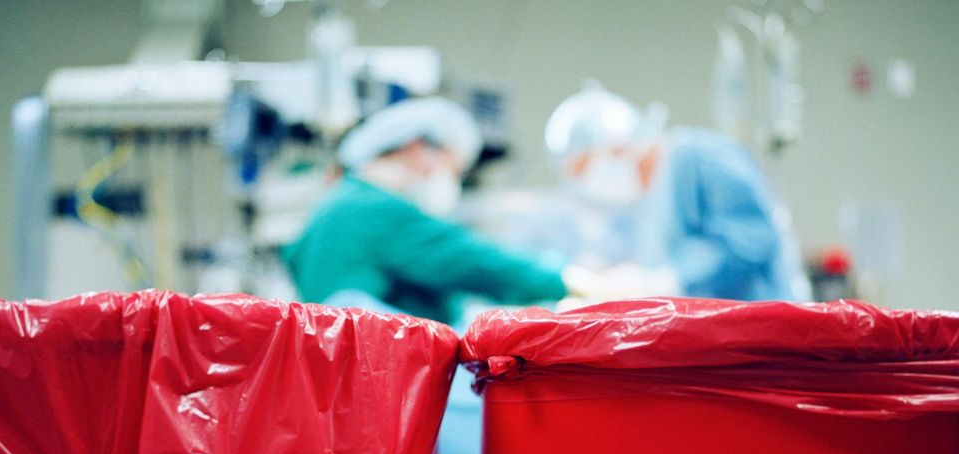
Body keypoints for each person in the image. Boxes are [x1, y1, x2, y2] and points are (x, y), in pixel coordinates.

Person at [282, 97, 577, 326]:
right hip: (385, 387)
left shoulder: (335, 205)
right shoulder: (373, 209)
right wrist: (571, 280)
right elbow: (474, 261)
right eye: (454, 170)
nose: (452, 184)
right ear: (418, 148)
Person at [546, 83, 809, 301]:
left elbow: (751, 240)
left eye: (586, 170)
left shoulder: (701, 157)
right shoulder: (649, 202)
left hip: (760, 342)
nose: (592, 184)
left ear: (615, 148)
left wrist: (670, 280)